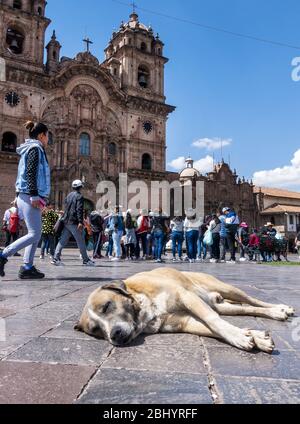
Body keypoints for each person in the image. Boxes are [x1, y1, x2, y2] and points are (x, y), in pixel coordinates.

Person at [0, 121, 50, 279]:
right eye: (48, 136)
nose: (48, 139)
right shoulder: (35, 149)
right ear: (42, 135)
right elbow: (30, 172)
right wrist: (34, 194)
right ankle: (3, 255)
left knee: (35, 232)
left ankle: (27, 267)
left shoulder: (31, 149)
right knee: (35, 234)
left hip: (25, 194)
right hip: (29, 195)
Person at [51, 180, 95, 266]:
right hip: (74, 222)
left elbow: (66, 208)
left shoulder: (69, 195)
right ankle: (86, 260)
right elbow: (79, 209)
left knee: (63, 240)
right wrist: (80, 222)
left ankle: (56, 258)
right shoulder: (79, 196)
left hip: (66, 221)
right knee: (81, 241)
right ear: (80, 187)